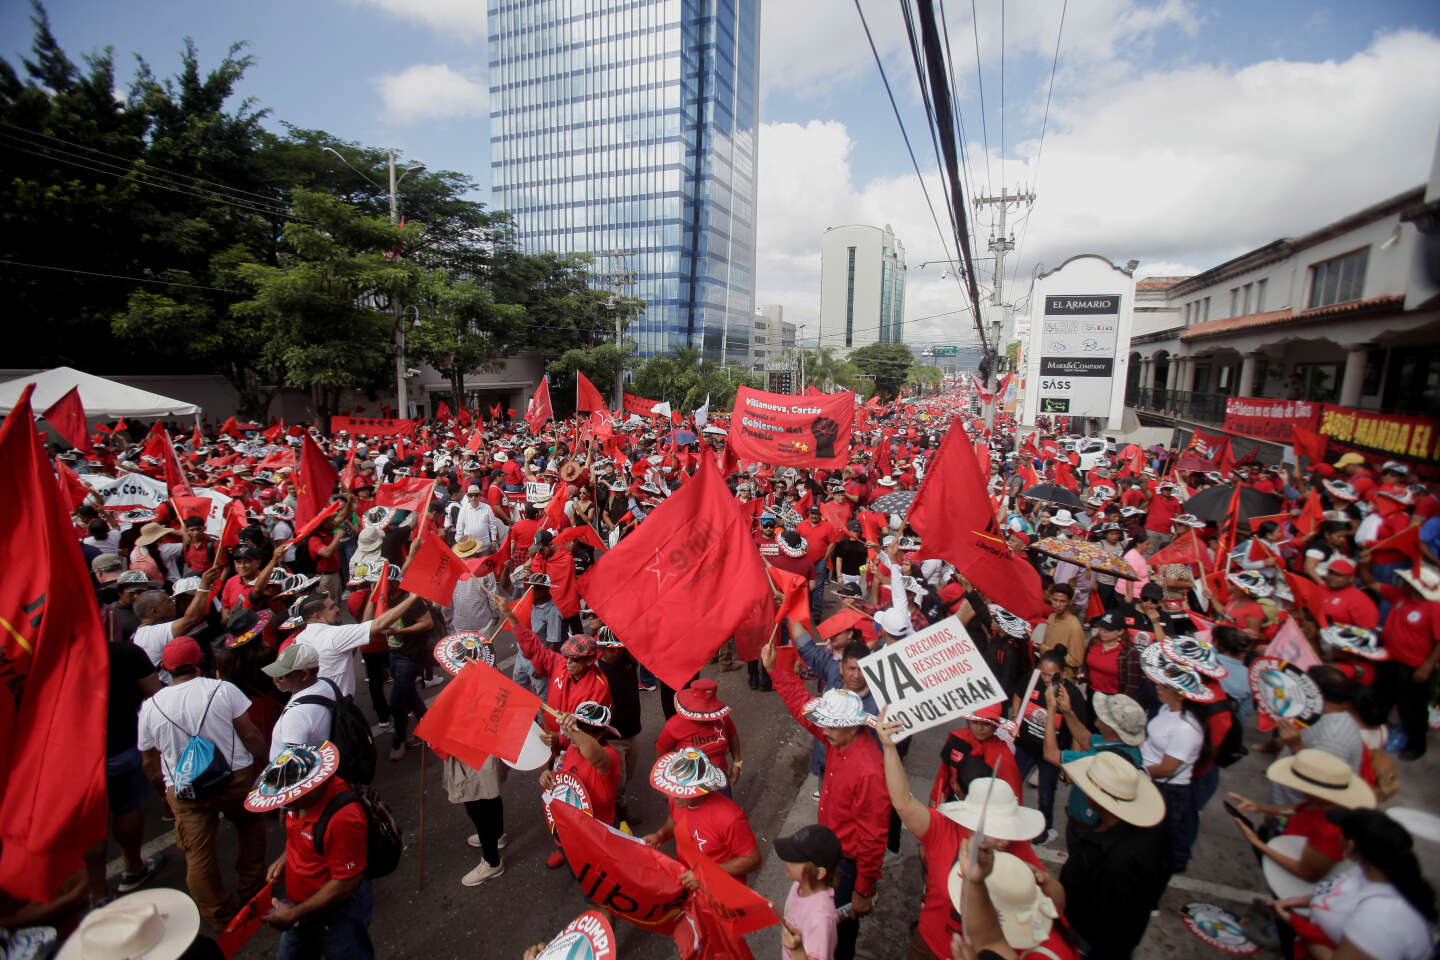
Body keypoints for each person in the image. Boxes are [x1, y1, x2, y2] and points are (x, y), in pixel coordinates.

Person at [876, 708, 1052, 960]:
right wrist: (889, 748)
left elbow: (1055, 903)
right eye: (994, 826)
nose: (1002, 838)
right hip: (930, 946)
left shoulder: (1018, 848)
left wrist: (1046, 882)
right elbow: (903, 801)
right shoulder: (942, 829)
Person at [764, 640, 888, 960]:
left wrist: (863, 890)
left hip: (848, 867)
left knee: (839, 937)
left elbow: (873, 838)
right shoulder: (838, 737)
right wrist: (773, 670)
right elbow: (804, 707)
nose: (824, 732)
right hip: (831, 859)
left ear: (851, 726)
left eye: (831, 726)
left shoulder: (869, 771)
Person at [136, 637, 268, 929]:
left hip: (184, 789)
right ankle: (252, 888)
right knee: (250, 826)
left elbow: (149, 761)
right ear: (200, 662)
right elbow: (250, 734)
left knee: (198, 853)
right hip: (235, 777)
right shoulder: (222, 689)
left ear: (165, 668)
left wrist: (163, 795)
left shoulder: (150, 708)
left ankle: (218, 914)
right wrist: (264, 764)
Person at [249, 743, 374, 959]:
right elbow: (299, 835)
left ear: (310, 789)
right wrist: (285, 857)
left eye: (291, 800)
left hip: (336, 917)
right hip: (301, 910)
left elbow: (347, 880)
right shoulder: (295, 804)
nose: (285, 806)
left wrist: (295, 913)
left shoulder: (342, 819)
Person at [1269, 809, 1436, 960]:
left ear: (1350, 845)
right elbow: (1340, 892)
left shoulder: (1381, 919)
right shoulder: (1370, 867)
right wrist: (1300, 901)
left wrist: (1297, 924)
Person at [1057, 750, 1172, 958]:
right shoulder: (1156, 832)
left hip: (1093, 941)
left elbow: (1093, 910)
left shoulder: (1105, 856)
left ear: (1095, 800)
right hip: (1125, 937)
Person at [85, 631, 167, 904]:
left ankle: (97, 892)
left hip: (77, 758)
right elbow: (155, 694)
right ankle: (133, 867)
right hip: (122, 746)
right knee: (127, 808)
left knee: (91, 823)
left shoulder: (50, 661)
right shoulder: (124, 652)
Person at [1228, 748, 1375, 892]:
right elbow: (1296, 809)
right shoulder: (1319, 802)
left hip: (1295, 890)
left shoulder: (1331, 829)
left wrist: (1257, 843)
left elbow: (1308, 874)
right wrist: (1260, 807)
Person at [1138, 644, 1211, 875]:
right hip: (1151, 780)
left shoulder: (1187, 728)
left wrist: (1138, 773)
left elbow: (1168, 768)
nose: (1157, 686)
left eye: (1164, 684)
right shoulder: (1166, 709)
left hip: (1167, 791)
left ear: (1178, 692)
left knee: (1155, 846)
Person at [642, 749, 761, 887]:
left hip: (722, 892)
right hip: (689, 881)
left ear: (702, 787)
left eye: (681, 789)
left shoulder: (729, 817)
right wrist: (660, 835)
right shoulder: (677, 798)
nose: (672, 795)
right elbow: (675, 819)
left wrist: (704, 874)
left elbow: (752, 860)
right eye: (673, 788)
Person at [288, 590, 419, 698]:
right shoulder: (335, 635)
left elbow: (362, 629)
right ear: (317, 616)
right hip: (339, 707)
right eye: (332, 608)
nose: (338, 609)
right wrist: (411, 598)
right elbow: (379, 624)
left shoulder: (299, 639)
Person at [129, 567, 223, 679]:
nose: (174, 603)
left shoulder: (150, 630)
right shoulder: (151, 633)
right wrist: (204, 585)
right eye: (168, 602)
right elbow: (191, 619)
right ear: (154, 611)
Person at [655, 679, 743, 792]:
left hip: (718, 780)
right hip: (688, 785)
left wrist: (737, 763)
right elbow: (661, 751)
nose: (704, 717)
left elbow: (732, 735)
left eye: (707, 713)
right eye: (699, 712)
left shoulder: (721, 718)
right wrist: (665, 788)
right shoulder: (674, 725)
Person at [775, 824, 842, 960]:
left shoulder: (821, 918)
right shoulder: (798, 885)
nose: (787, 861)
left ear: (819, 872)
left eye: (795, 860)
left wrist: (797, 950)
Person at [264, 643, 333, 761]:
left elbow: (292, 764)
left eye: (282, 675)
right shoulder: (326, 684)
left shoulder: (296, 715)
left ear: (305, 674)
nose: (275, 679)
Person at [1040, 585, 1084, 680]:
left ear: (1070, 602)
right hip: (1045, 672)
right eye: (1055, 600)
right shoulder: (1051, 617)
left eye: (1062, 601)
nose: (1057, 604)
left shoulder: (1074, 627)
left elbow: (1076, 660)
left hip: (1061, 678)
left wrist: (1047, 651)